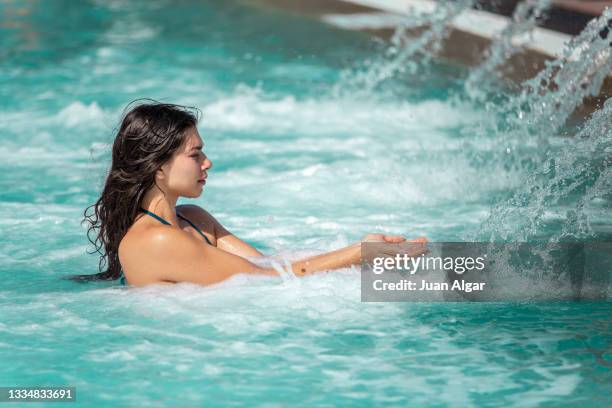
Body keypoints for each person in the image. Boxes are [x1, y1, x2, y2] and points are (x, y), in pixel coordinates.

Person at [73, 100, 426, 287]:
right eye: (195, 155)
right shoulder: (155, 241)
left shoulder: (194, 221)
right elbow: (268, 283)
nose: (207, 163)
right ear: (158, 166)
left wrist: (363, 250)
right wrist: (358, 255)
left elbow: (270, 265)